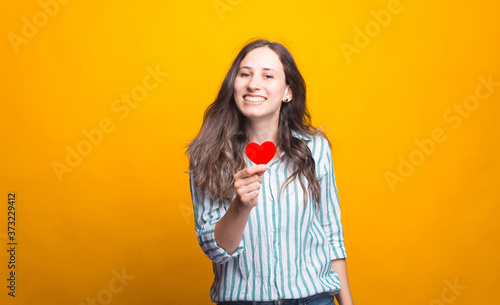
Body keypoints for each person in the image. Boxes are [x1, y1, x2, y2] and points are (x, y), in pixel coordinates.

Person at [186, 39, 354, 305]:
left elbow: (331, 236)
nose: (254, 84)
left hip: (313, 299)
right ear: (234, 85)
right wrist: (241, 206)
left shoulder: (316, 149)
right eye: (245, 74)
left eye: (268, 75)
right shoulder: (207, 154)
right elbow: (216, 251)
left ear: (288, 91)